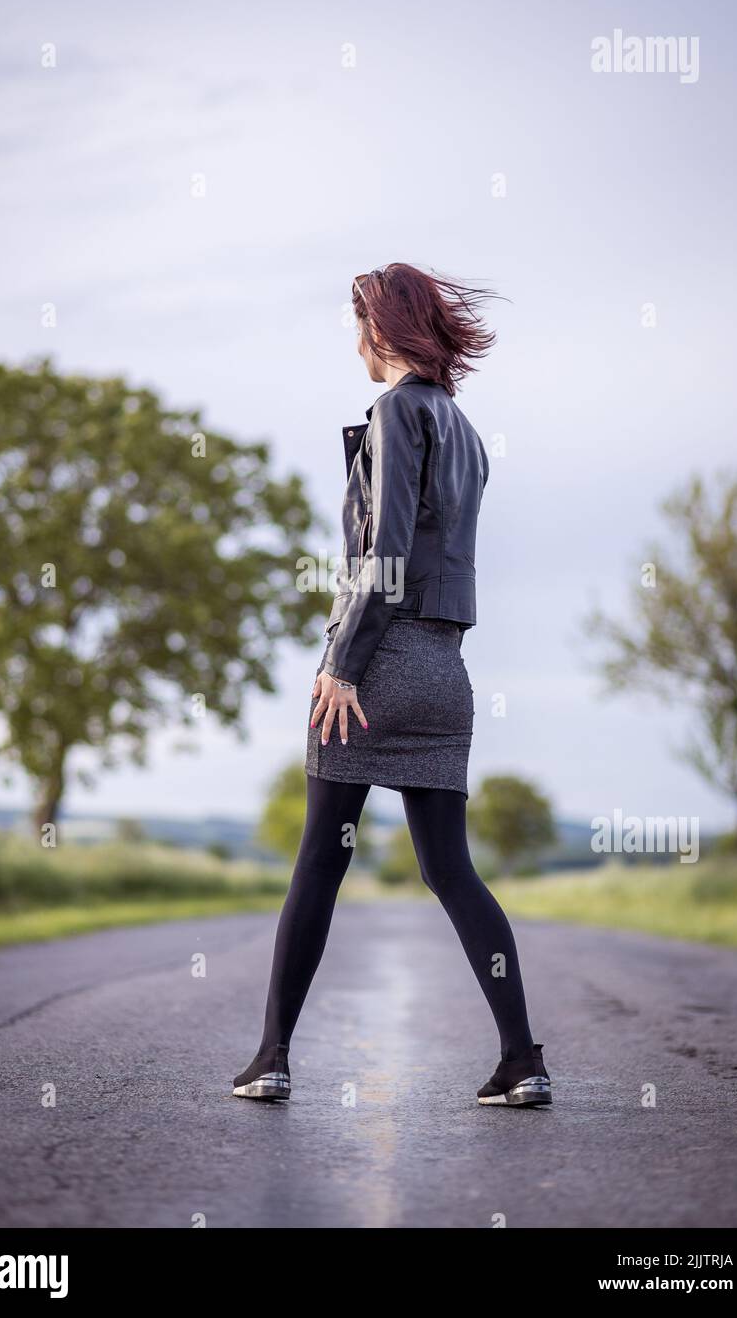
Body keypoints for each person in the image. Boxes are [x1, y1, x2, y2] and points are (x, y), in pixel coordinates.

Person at [233, 263, 551, 1108]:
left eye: (359, 324)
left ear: (382, 328)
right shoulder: (466, 430)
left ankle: (272, 1057)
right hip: (446, 671)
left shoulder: (395, 411)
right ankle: (523, 1061)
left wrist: (341, 661)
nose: (356, 341)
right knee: (451, 869)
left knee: (317, 864)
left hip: (376, 663)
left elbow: (387, 558)